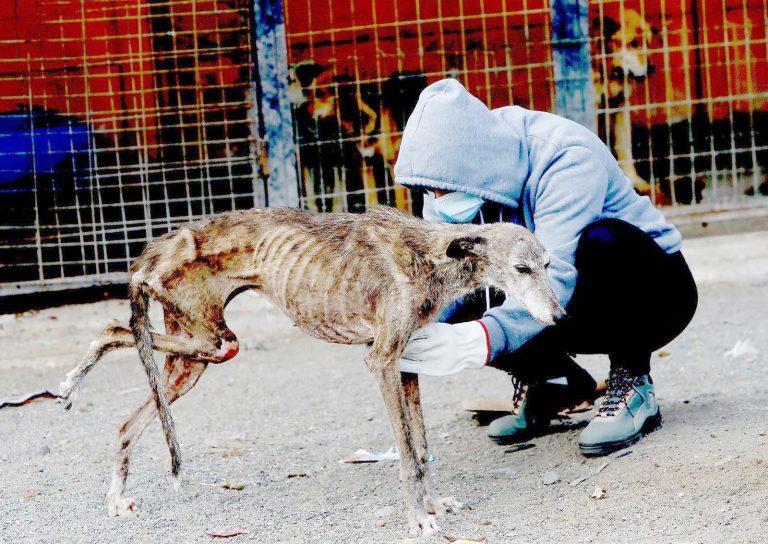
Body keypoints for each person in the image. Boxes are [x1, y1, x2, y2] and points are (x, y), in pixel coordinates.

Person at [395, 79, 698, 456]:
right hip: (558, 310)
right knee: (454, 282)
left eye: (445, 189)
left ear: (478, 166)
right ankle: (551, 384)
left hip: (650, 293)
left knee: (603, 242)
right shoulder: (444, 181)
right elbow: (442, 276)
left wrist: (485, 339)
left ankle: (632, 381)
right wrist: (412, 328)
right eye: (430, 191)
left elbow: (555, 272)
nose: (438, 201)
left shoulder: (563, 155)